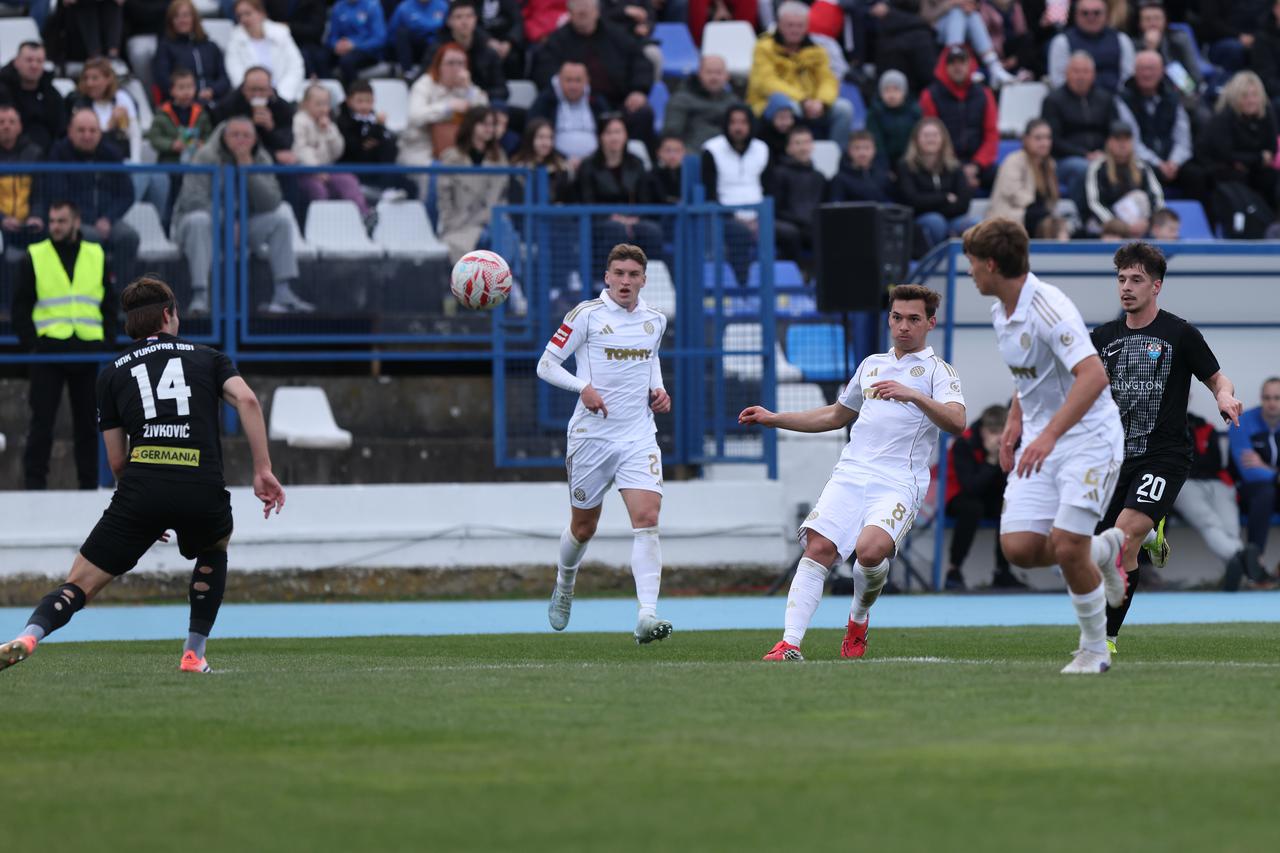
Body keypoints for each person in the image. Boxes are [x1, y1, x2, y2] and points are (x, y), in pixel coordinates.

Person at [0, 276, 286, 676]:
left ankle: (29, 634)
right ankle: (193, 653)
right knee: (213, 546)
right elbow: (248, 400)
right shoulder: (209, 358)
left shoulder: (111, 374)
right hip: (201, 489)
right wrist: (263, 470)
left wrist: (146, 509)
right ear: (169, 314)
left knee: (80, 582)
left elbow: (117, 462)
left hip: (141, 491)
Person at [741, 285, 966, 661]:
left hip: (899, 481)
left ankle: (858, 619)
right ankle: (789, 644)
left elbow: (958, 421)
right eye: (897, 317)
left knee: (870, 551)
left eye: (913, 319)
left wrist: (915, 395)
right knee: (818, 550)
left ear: (931, 323)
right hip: (851, 474)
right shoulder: (871, 364)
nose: (903, 327)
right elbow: (835, 415)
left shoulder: (938, 372)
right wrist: (774, 417)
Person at [962, 217, 1128, 674]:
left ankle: (1094, 651)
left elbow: (1093, 376)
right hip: (1041, 437)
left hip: (1089, 440)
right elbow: (1030, 376)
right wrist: (1016, 421)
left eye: (973, 264)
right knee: (1019, 547)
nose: (970, 272)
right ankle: (1105, 549)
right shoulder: (1002, 310)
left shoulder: (1048, 307)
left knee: (1068, 546)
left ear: (992, 264)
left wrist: (1050, 435)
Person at [1090, 241, 1243, 651]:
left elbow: (1218, 379)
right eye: (1121, 278)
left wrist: (1224, 397)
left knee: (1121, 540)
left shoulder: (1180, 333)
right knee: (1108, 554)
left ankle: (1105, 640)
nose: (1126, 286)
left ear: (1156, 286)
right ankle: (1153, 533)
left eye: (1136, 279)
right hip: (1114, 460)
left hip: (1165, 455)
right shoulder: (1102, 338)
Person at [537, 243, 675, 644]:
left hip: (638, 435)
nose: (626, 281)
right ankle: (565, 584)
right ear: (607, 277)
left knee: (647, 519)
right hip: (591, 437)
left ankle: (646, 616)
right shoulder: (587, 316)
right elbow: (546, 365)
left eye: (633, 275)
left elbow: (651, 359)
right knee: (583, 527)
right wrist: (583, 388)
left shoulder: (655, 320)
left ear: (643, 280)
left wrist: (659, 390)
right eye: (619, 273)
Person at [10, 200, 116, 491]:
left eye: (62, 221)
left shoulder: (96, 254)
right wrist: (32, 345)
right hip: (49, 352)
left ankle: (88, 486)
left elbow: (110, 303)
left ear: (76, 222)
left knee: (87, 426)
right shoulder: (36, 255)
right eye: (52, 221)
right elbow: (20, 306)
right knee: (41, 425)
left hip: (87, 350)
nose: (55, 226)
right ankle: (34, 487)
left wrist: (107, 341)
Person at [173, 117, 312, 314]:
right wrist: (227, 220)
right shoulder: (205, 156)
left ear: (255, 139)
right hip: (207, 225)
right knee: (198, 220)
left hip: (242, 226)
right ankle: (200, 297)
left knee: (281, 217)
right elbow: (192, 199)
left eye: (246, 136)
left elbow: (271, 201)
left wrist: (249, 171)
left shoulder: (261, 157)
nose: (241, 140)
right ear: (224, 136)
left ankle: (283, 294)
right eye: (235, 135)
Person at [532, 0, 655, 151]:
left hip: (616, 102)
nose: (582, 12)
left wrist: (639, 90)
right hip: (575, 104)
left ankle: (634, 165)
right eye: (577, 8)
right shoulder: (557, 40)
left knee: (642, 113)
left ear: (597, 11)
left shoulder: (616, 35)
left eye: (587, 8)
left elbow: (640, 61)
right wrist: (564, 87)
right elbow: (544, 71)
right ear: (569, 13)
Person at [45, 109, 141, 283]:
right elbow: (58, 195)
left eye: (92, 131)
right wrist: (87, 218)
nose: (87, 136)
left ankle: (123, 298)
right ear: (70, 132)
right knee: (90, 237)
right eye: (81, 130)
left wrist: (108, 219)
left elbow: (127, 194)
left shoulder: (111, 154)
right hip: (75, 221)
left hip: (107, 218)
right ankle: (92, 293)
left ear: (100, 133)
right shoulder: (59, 154)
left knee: (129, 236)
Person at [1178, 413, 1269, 590]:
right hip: (1183, 483)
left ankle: (1235, 564)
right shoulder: (1164, 424)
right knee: (1209, 522)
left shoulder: (1205, 425)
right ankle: (1243, 556)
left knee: (1230, 528)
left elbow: (1214, 462)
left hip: (1217, 482)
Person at [745, 1, 853, 149]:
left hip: (813, 104)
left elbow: (828, 80)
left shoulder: (817, 50)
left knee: (844, 109)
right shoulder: (763, 47)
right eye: (790, 25)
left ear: (807, 26)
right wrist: (803, 100)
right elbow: (766, 82)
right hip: (773, 104)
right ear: (779, 25)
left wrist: (822, 102)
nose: (794, 30)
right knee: (790, 109)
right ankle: (792, 154)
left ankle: (837, 156)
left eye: (799, 25)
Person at [944, 404, 1023, 589]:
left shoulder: (1014, 444)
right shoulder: (965, 443)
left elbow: (1011, 485)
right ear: (983, 430)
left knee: (1009, 506)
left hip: (992, 496)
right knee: (972, 508)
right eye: (992, 432)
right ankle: (953, 570)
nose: (997, 438)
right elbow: (970, 487)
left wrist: (1004, 456)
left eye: (1001, 432)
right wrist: (992, 460)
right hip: (960, 497)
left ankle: (1002, 572)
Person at [575, 113, 663, 269]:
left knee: (652, 230)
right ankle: (607, 279)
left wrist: (634, 218)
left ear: (625, 135)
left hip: (633, 219)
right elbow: (587, 200)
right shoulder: (588, 166)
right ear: (600, 137)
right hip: (601, 221)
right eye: (609, 133)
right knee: (616, 230)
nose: (614, 137)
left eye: (618, 132)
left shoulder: (636, 164)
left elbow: (645, 199)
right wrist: (613, 217)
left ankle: (647, 278)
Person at [1113, 51, 1198, 195]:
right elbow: (1131, 141)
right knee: (1141, 173)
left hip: (1172, 160)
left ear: (1162, 71)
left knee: (1196, 174)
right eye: (1142, 69)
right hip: (1142, 160)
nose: (1147, 74)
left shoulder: (1173, 98)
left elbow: (1183, 139)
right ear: (1134, 71)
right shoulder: (1123, 99)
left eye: (1151, 69)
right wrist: (1158, 164)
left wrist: (1174, 162)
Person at [701, 104, 768, 284]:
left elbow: (770, 188)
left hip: (760, 216)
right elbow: (710, 193)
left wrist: (759, 218)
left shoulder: (762, 149)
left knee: (789, 234)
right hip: (724, 216)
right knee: (740, 233)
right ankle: (742, 287)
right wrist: (734, 217)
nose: (738, 127)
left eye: (743, 122)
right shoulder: (711, 149)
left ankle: (785, 290)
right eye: (733, 122)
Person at [1202, 71, 1280, 221]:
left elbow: (1272, 150)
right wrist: (1258, 157)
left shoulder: (1267, 114)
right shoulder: (1223, 118)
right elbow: (1225, 154)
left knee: (1272, 177)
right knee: (1237, 177)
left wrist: (1249, 160)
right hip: (1222, 169)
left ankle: (1272, 223)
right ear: (1235, 98)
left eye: (1254, 95)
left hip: (1253, 167)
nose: (1251, 100)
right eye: (1245, 96)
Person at [920, 44, 999, 189]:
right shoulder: (930, 95)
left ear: (970, 64)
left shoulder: (984, 94)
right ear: (944, 66)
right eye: (952, 63)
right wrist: (957, 168)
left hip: (979, 164)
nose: (957, 67)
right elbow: (930, 138)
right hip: (945, 164)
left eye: (962, 62)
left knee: (1003, 177)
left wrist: (976, 165)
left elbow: (991, 134)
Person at [399, 42, 488, 170]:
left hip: (459, 148)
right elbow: (415, 116)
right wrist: (447, 108)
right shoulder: (424, 84)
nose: (456, 68)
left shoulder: (467, 87)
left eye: (461, 63)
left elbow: (484, 113)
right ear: (439, 65)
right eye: (450, 63)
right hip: (422, 148)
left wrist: (469, 89)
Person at [436, 106, 508, 262]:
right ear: (471, 125)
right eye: (484, 124)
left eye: (492, 125)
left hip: (490, 220)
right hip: (460, 223)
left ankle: (510, 281)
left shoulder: (499, 158)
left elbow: (502, 195)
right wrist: (450, 221)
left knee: (504, 234)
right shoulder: (452, 158)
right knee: (486, 238)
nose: (489, 129)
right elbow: (444, 197)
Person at [1041, 51, 1117, 197]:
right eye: (1076, 71)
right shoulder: (1053, 101)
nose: (1081, 76)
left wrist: (1104, 152)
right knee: (1083, 169)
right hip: (1065, 160)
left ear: (1093, 75)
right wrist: (1085, 155)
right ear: (1067, 74)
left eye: (1085, 72)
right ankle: (1082, 213)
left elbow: (1114, 131)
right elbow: (1053, 140)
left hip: (1103, 155)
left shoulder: (1106, 98)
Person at [292, 85, 372, 221]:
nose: (323, 108)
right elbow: (301, 149)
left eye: (326, 104)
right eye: (318, 104)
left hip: (327, 170)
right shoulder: (299, 121)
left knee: (348, 181)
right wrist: (316, 170)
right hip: (304, 172)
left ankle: (364, 216)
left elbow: (337, 152)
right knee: (318, 190)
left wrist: (328, 132)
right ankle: (323, 224)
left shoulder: (329, 124)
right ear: (305, 104)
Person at [897, 117, 975, 250]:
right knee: (935, 221)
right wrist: (945, 198)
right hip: (920, 221)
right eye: (926, 135)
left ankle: (971, 267)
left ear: (943, 139)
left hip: (952, 219)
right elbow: (911, 201)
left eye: (935, 135)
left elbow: (964, 203)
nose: (931, 139)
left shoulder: (955, 166)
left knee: (975, 223)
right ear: (916, 139)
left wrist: (931, 202)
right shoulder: (906, 166)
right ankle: (934, 265)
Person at [1229, 377, 1280, 575]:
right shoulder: (1242, 422)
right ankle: (1254, 562)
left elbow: (1261, 469)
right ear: (1261, 399)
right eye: (1267, 398)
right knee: (1265, 492)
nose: (1272, 403)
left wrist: (1266, 468)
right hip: (1249, 493)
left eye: (1277, 398)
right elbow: (1250, 473)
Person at [336, 80, 417, 199]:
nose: (364, 106)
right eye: (359, 101)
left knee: (411, 186)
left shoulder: (373, 118)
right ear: (349, 101)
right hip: (355, 168)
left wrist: (372, 137)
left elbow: (385, 143)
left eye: (368, 101)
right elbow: (355, 147)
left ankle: (388, 189)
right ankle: (384, 188)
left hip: (379, 167)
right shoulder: (343, 121)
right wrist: (375, 132)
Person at [152, 0, 232, 107]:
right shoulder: (165, 47)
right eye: (176, 17)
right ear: (171, 21)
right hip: (183, 104)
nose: (182, 20)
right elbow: (163, 80)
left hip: (214, 99)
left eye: (185, 15)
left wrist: (212, 91)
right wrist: (191, 92)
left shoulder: (211, 46)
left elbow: (224, 79)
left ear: (194, 18)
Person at [425, 1, 509, 103]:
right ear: (449, 21)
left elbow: (502, 90)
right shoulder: (438, 50)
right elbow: (424, 78)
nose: (464, 22)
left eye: (469, 16)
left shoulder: (488, 53)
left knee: (501, 107)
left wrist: (480, 94)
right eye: (459, 17)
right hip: (445, 101)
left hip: (480, 105)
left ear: (475, 19)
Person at [225, 0, 306, 103]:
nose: (244, 19)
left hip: (286, 98)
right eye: (239, 15)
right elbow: (236, 75)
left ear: (261, 13)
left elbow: (295, 67)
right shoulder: (234, 40)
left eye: (248, 13)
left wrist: (280, 97)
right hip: (250, 101)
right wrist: (256, 95)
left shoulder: (281, 33)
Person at [213, 66, 298, 164]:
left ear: (270, 90)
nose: (257, 95)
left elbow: (286, 143)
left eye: (262, 90)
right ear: (244, 89)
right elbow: (222, 143)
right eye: (252, 90)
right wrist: (248, 127)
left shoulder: (282, 108)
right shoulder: (228, 106)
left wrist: (271, 129)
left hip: (270, 160)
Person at [921, 0, 1016, 87]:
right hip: (936, 31)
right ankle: (959, 60)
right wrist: (951, 4)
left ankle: (994, 68)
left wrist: (970, 7)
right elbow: (925, 17)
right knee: (957, 12)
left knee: (972, 15)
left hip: (963, 26)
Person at [1047, 0, 1135, 93]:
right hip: (1075, 101)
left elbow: (1128, 77)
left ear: (1106, 15)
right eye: (1085, 13)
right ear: (1076, 15)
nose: (1091, 17)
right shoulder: (1062, 42)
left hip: (1114, 98)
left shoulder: (1121, 39)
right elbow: (1058, 80)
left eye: (1096, 13)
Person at [528, 61, 608, 165]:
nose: (573, 86)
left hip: (596, 164)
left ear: (587, 81)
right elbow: (532, 132)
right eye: (569, 80)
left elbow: (609, 129)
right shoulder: (546, 101)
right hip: (555, 163)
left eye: (578, 80)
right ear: (559, 80)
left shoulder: (597, 102)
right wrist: (563, 159)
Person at [988, 118, 1058, 235]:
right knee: (1045, 220)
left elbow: (1051, 199)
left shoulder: (1050, 164)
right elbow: (1012, 192)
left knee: (1059, 223)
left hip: (1036, 216)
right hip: (1009, 217)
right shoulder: (1014, 160)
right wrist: (1038, 208)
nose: (1044, 143)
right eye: (1038, 138)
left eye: (1048, 138)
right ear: (1025, 139)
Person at [769, 125, 825, 262]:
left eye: (806, 142)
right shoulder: (779, 174)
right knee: (791, 233)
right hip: (791, 225)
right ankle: (799, 274)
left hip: (812, 225)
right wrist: (801, 222)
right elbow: (776, 208)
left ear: (812, 146)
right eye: (797, 143)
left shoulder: (819, 177)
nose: (803, 147)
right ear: (789, 148)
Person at [0, 42, 67, 154]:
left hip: (46, 159)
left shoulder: (52, 94)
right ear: (16, 62)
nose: (34, 65)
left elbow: (61, 129)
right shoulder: (2, 91)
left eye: (39, 61)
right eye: (29, 60)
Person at [662, 54, 734, 151]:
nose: (714, 77)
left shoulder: (734, 103)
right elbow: (672, 134)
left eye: (718, 72)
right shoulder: (681, 100)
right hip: (692, 156)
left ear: (727, 76)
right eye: (709, 72)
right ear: (699, 73)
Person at [147, 68, 214, 166]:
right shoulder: (162, 113)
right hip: (169, 164)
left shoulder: (201, 113)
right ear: (172, 91)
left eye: (190, 87)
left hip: (196, 164)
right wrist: (171, 145)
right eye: (181, 88)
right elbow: (154, 137)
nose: (187, 92)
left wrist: (202, 144)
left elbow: (209, 135)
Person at [0, 105, 45, 251]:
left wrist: (36, 216)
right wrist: (2, 219)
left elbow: (41, 192)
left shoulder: (34, 154)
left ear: (20, 126)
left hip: (29, 224)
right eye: (1, 122)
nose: (6, 126)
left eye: (11, 122)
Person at [866, 68, 920, 172]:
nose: (891, 95)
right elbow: (877, 144)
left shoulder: (914, 111)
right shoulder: (875, 113)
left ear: (904, 92)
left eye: (896, 89)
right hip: (884, 164)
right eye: (887, 90)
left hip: (911, 162)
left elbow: (917, 140)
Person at [509, 117, 572, 203]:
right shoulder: (517, 168)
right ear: (530, 139)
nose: (546, 143)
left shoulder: (562, 168)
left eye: (550, 138)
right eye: (541, 137)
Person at [326, 0, 388, 83]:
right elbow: (332, 36)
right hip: (343, 49)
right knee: (322, 58)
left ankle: (354, 92)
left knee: (346, 62)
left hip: (368, 51)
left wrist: (354, 45)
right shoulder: (338, 7)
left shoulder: (372, 6)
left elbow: (380, 39)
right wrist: (336, 45)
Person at [388, 0, 450, 78]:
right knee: (402, 32)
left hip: (435, 46)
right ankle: (407, 73)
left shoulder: (443, 5)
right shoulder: (404, 7)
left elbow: (448, 28)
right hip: (413, 49)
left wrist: (420, 26)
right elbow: (392, 33)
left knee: (442, 39)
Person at [827, 130, 894, 202]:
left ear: (874, 150)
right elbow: (836, 207)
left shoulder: (884, 177)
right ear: (849, 150)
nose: (862, 153)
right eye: (857, 148)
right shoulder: (839, 179)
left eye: (867, 148)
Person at [648, 132, 684, 205]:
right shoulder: (649, 177)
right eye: (668, 150)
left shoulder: (690, 176)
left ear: (684, 152)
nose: (672, 155)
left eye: (677, 150)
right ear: (658, 152)